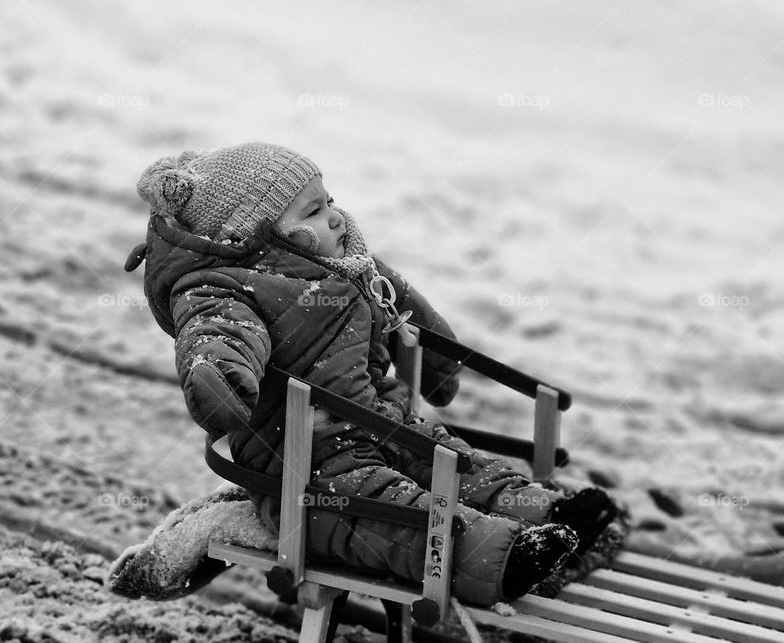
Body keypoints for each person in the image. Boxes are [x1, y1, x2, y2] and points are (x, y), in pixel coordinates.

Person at [131, 141, 618, 607]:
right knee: (385, 511)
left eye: (330, 202)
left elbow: (402, 301)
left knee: (451, 459)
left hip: (379, 419)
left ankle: (542, 510)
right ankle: (496, 558)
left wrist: (441, 367)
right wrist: (220, 380)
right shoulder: (222, 288)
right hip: (307, 463)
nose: (336, 217)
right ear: (255, 231)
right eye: (313, 212)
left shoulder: (347, 264)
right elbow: (219, 335)